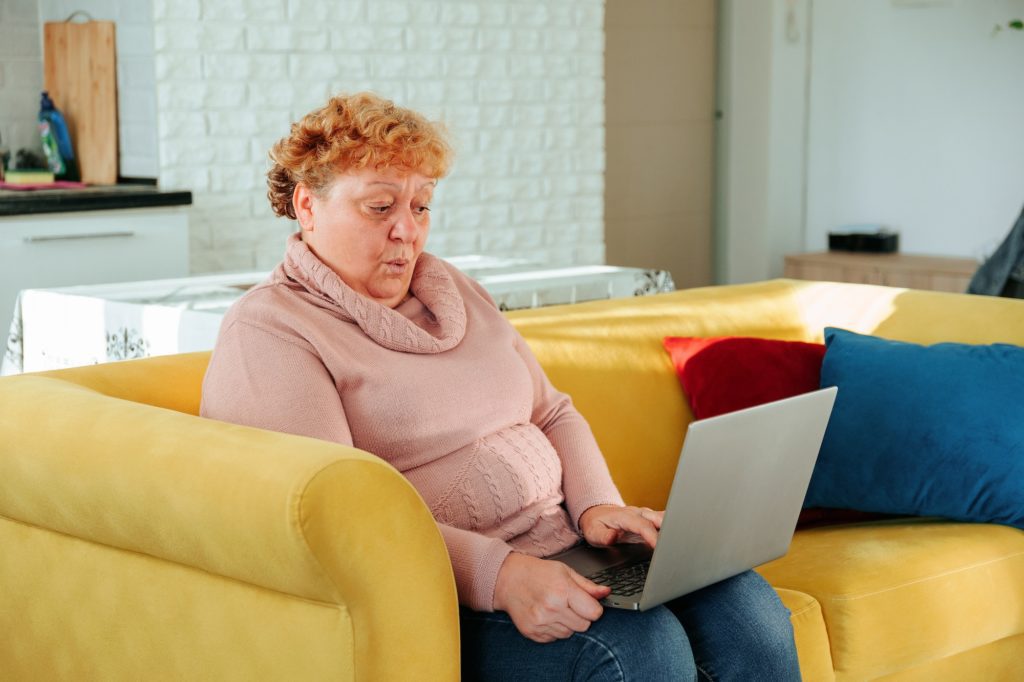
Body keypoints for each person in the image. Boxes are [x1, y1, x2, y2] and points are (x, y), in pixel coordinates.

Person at [200, 92, 801, 681]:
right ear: (307, 206)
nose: (406, 232)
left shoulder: (453, 290)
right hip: (443, 598)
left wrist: (598, 507)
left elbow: (553, 411)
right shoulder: (273, 331)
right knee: (639, 649)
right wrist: (501, 574)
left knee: (746, 610)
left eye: (422, 206)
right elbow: (340, 523)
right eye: (380, 207)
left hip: (563, 547)